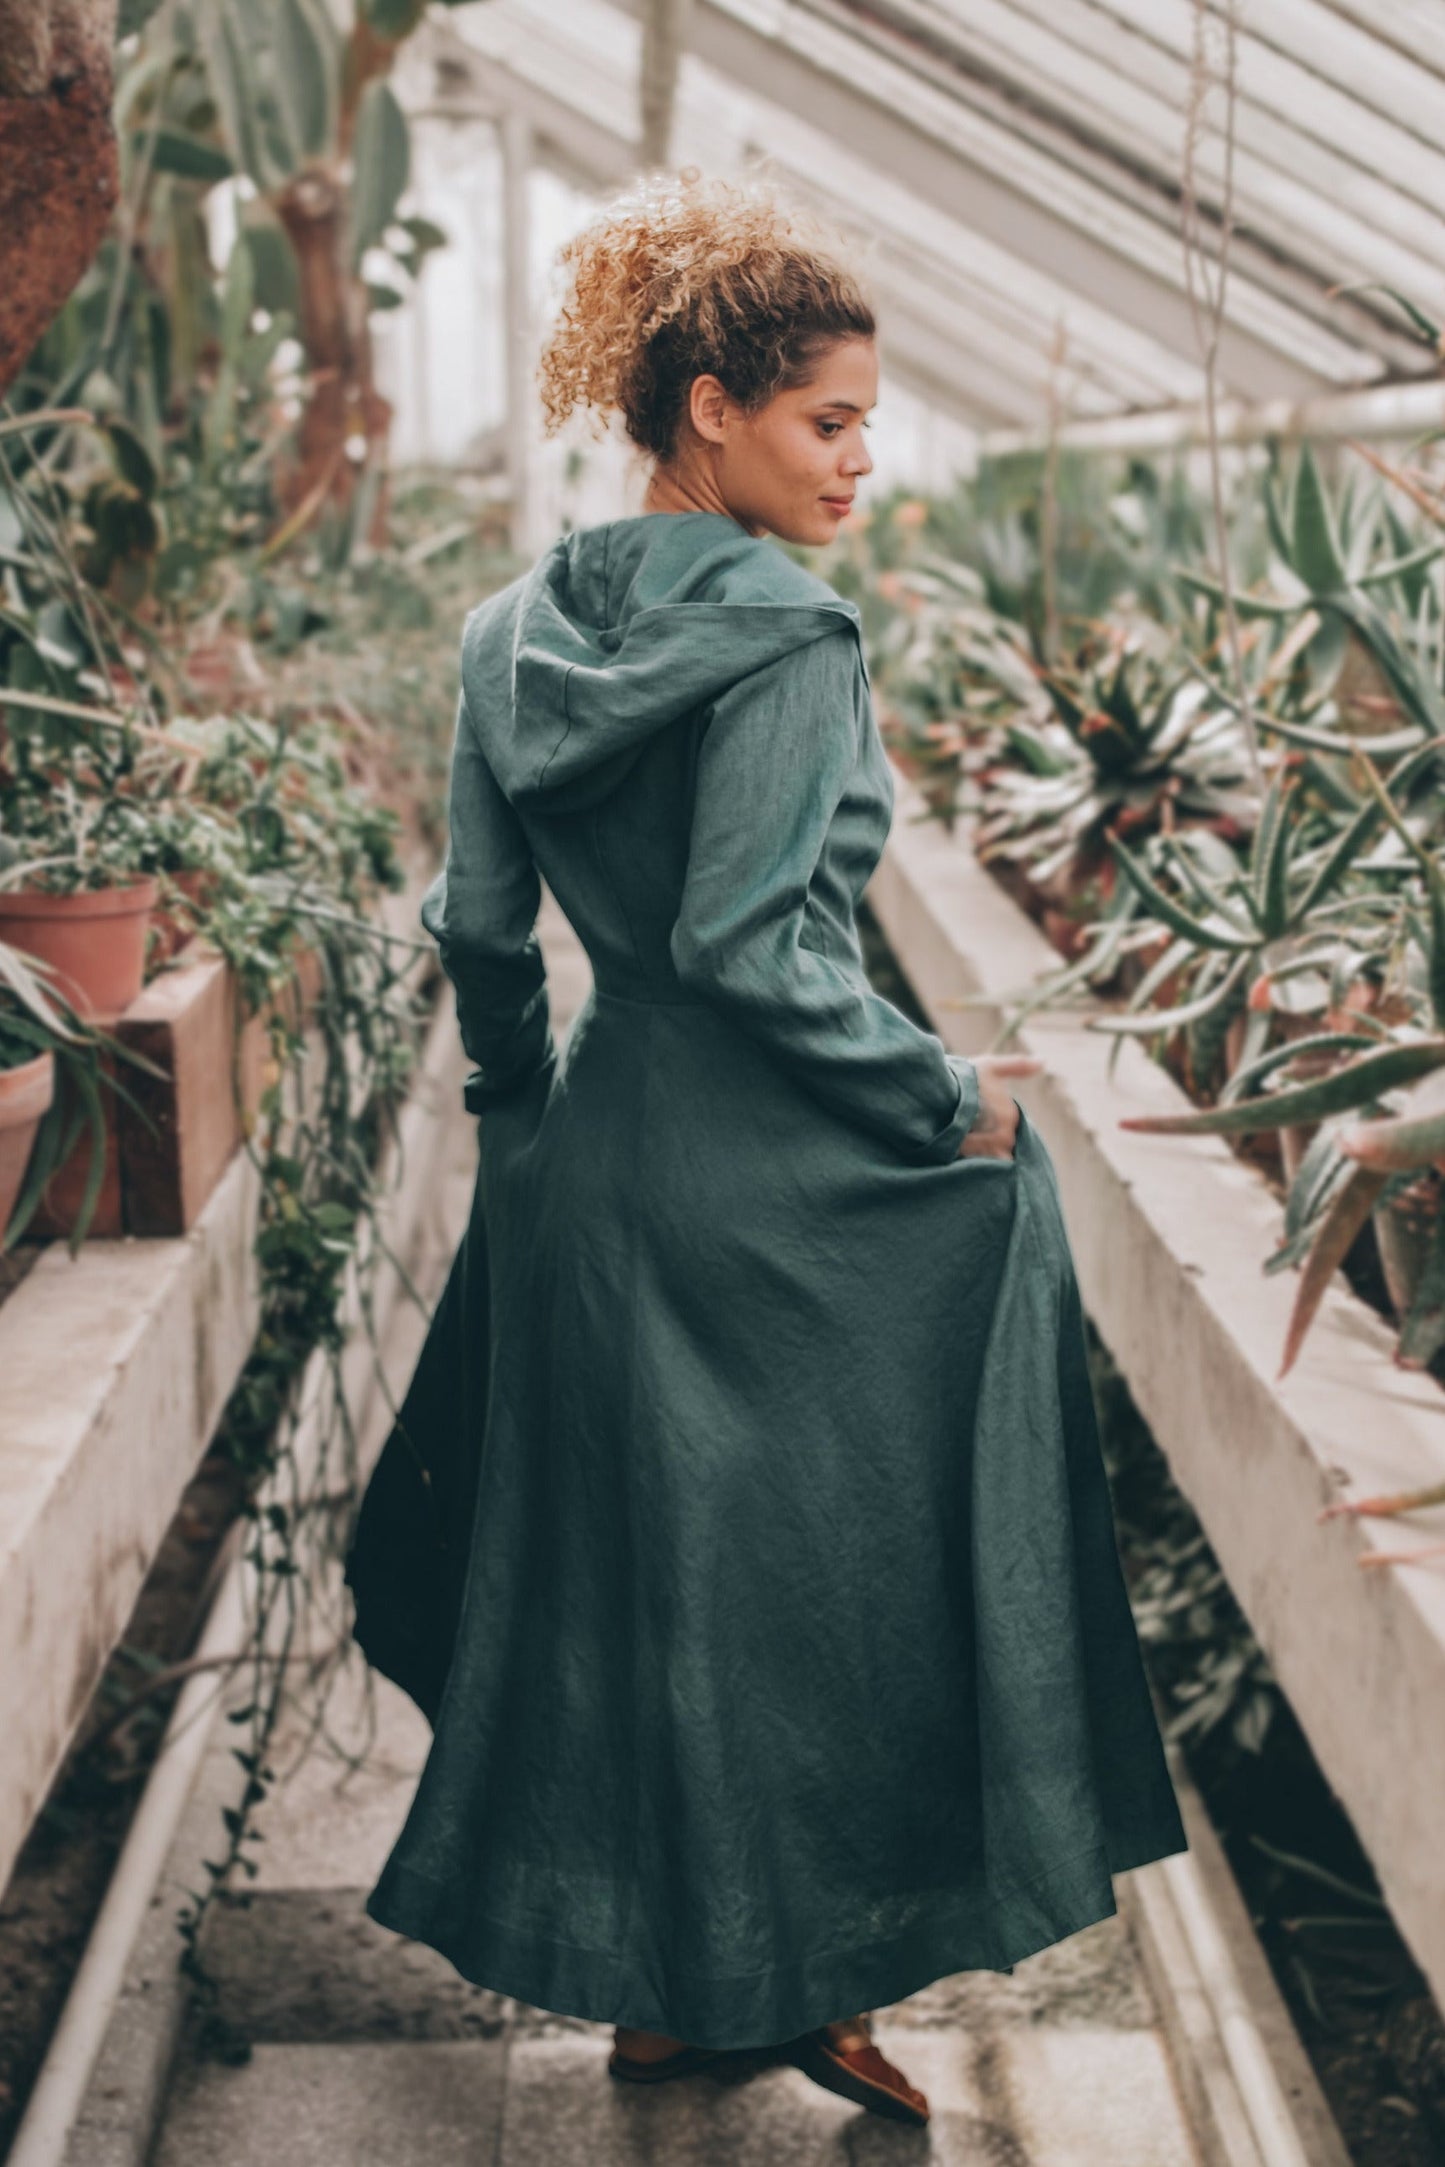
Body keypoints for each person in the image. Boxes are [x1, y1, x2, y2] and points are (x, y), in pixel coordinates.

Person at [345, 166, 1187, 2129]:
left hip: (600, 1156)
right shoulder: (793, 635)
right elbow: (751, 945)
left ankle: (667, 1998)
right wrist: (937, 1097)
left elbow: (481, 932)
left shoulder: (505, 635)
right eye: (829, 421)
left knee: (658, 1585)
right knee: (842, 1578)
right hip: (772, 1178)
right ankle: (819, 1973)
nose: (860, 463)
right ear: (710, 407)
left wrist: (524, 1126)